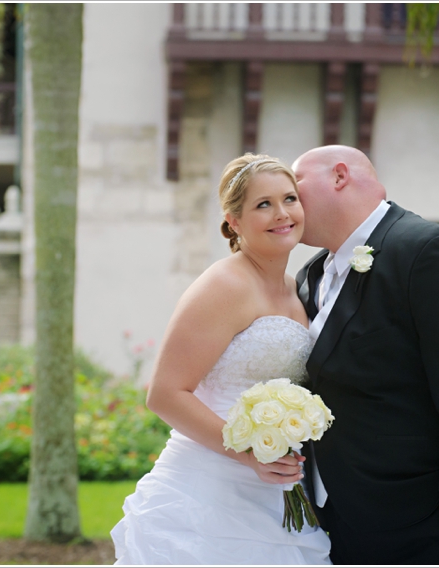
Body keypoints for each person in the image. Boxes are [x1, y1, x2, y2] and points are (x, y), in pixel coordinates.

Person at [293, 145, 439, 565]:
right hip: (346, 510)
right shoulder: (312, 273)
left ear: (339, 176)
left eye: (294, 185)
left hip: (436, 512)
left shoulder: (429, 251)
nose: (287, 202)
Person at [111, 154, 331, 565]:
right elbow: (165, 394)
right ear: (233, 221)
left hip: (275, 491)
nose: (282, 213)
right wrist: (249, 453)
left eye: (289, 198)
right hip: (207, 491)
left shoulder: (294, 287)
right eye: (263, 204)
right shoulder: (223, 285)